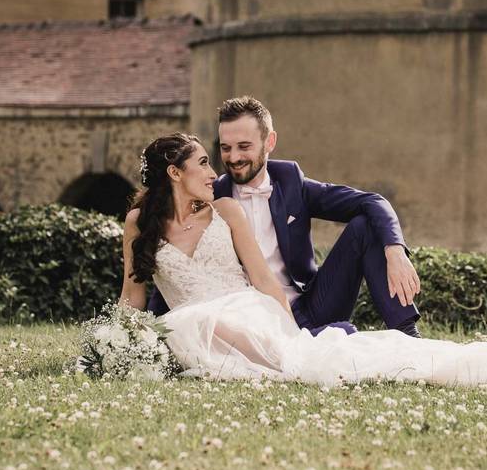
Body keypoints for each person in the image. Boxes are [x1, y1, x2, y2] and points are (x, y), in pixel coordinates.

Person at [119, 132, 487, 386]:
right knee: (189, 326)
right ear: (172, 172)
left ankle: (380, 343)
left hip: (259, 311)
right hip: (190, 321)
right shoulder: (140, 225)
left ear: (266, 141)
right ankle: (290, 358)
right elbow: (132, 294)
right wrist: (117, 340)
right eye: (210, 158)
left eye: (233, 151)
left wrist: (287, 330)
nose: (221, 166)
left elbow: (262, 279)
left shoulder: (235, 206)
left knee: (364, 233)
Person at [148, 96, 422, 337]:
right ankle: (321, 340)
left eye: (244, 146)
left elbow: (372, 201)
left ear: (270, 142)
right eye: (226, 147)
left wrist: (394, 249)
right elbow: (180, 260)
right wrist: (152, 333)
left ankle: (407, 333)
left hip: (312, 305)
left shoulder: (291, 182)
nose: (233, 157)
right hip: (248, 322)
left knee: (366, 225)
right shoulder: (211, 195)